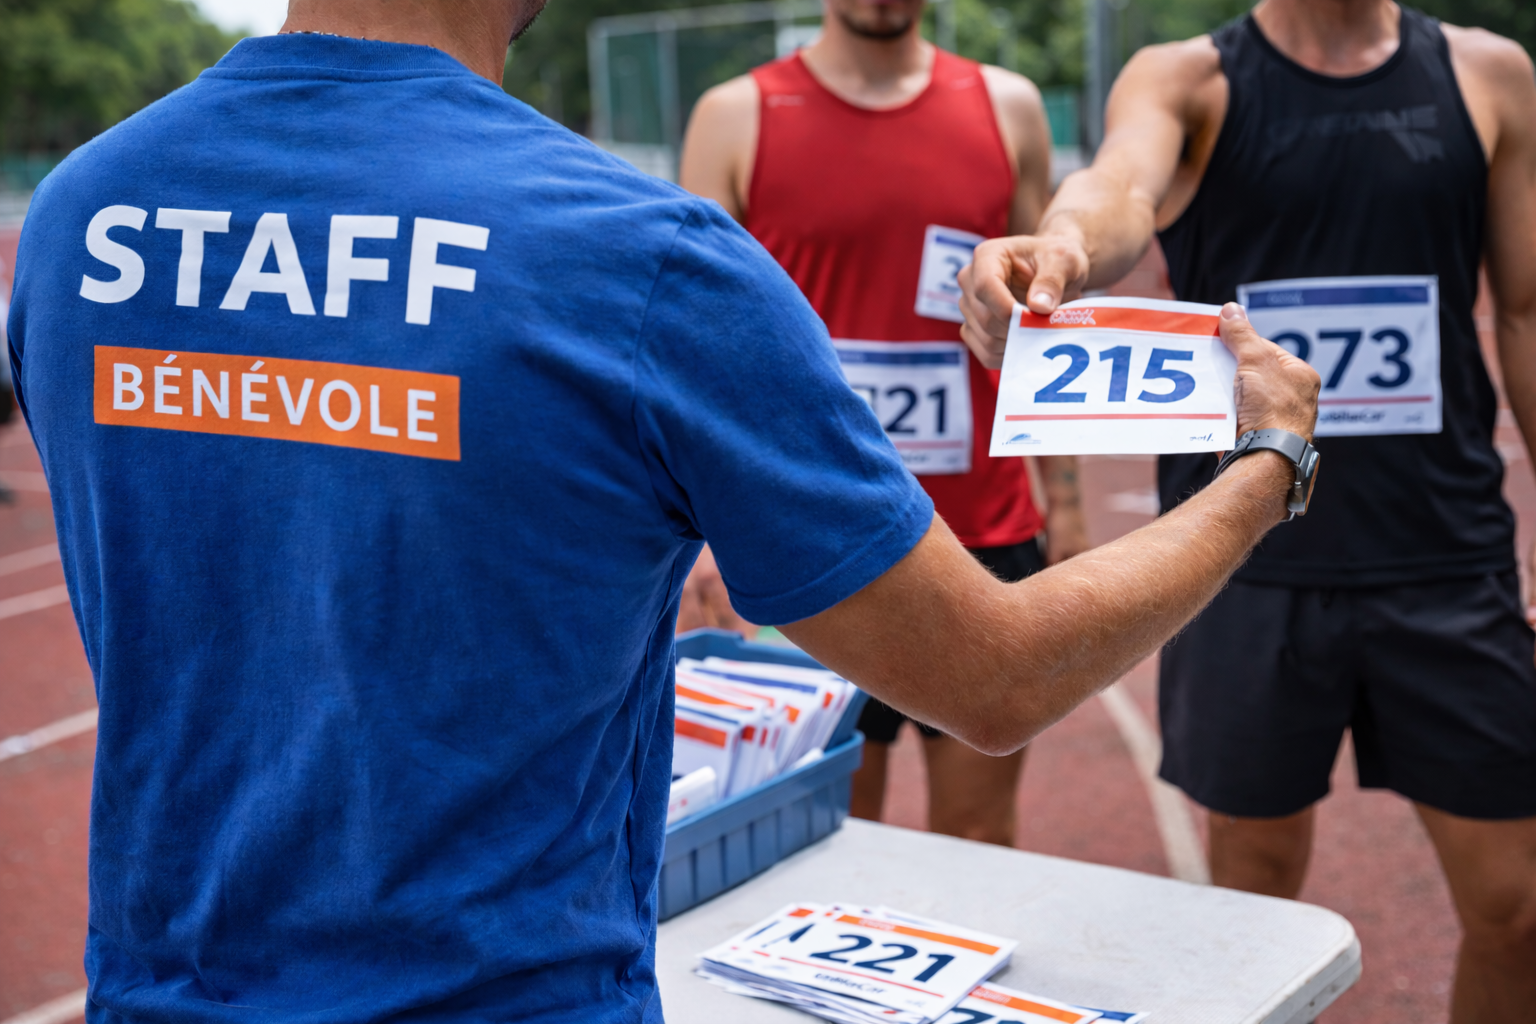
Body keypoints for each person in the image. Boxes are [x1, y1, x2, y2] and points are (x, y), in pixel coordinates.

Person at [5, 1, 1317, 1021]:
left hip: (161, 992)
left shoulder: (79, 216)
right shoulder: (635, 256)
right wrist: (1266, 461)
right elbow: (996, 674)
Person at [958, 0, 1536, 1015]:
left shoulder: (1491, 75)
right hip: (1242, 558)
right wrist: (1061, 245)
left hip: (1446, 553)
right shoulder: (1187, 78)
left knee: (1517, 908)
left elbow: (1524, 310)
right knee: (1255, 903)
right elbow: (1119, 187)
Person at [677, 0, 1087, 846]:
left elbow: (1043, 323)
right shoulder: (736, 115)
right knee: (825, 842)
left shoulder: (1007, 107)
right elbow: (690, 342)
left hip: (983, 532)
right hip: (812, 539)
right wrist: (699, 535)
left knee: (979, 839)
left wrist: (1070, 503)